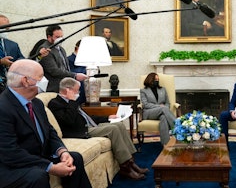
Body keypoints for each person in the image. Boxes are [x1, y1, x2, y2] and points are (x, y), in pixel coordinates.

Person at [0, 59, 91, 188]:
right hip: (13, 165)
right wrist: (51, 167)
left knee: (74, 157)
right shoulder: (3, 107)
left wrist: (62, 152)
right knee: (38, 175)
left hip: (37, 156)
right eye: (41, 77)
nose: (45, 80)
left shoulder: (36, 103)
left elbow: (50, 131)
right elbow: (10, 153)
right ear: (26, 81)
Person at [48, 77, 149, 180]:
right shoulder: (55, 103)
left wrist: (107, 117)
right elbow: (69, 120)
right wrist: (72, 101)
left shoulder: (71, 103)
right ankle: (125, 168)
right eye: (76, 90)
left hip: (88, 125)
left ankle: (131, 163)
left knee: (119, 125)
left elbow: (86, 117)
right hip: (80, 131)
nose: (78, 93)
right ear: (67, 90)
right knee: (113, 129)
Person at [0, 15, 49, 93]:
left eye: (7, 28)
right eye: (3, 28)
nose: (6, 31)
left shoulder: (12, 45)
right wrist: (1, 62)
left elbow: (23, 61)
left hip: (10, 86)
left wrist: (38, 56)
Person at [38, 25, 87, 92]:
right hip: (52, 88)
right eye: (57, 37)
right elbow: (54, 71)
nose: (60, 39)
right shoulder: (45, 49)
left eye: (61, 36)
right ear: (49, 37)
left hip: (64, 87)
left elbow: (66, 67)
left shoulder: (61, 49)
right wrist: (75, 75)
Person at [140, 72, 176, 145]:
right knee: (163, 109)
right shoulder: (143, 91)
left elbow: (167, 103)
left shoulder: (163, 89)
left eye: (157, 80)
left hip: (162, 112)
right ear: (150, 80)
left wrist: (163, 107)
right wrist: (160, 106)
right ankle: (177, 127)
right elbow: (146, 104)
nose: (157, 81)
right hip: (149, 113)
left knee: (163, 117)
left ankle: (166, 144)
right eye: (155, 79)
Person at [67, 40, 87, 104]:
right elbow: (70, 73)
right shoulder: (69, 60)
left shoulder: (86, 60)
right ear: (78, 48)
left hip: (85, 92)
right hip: (74, 92)